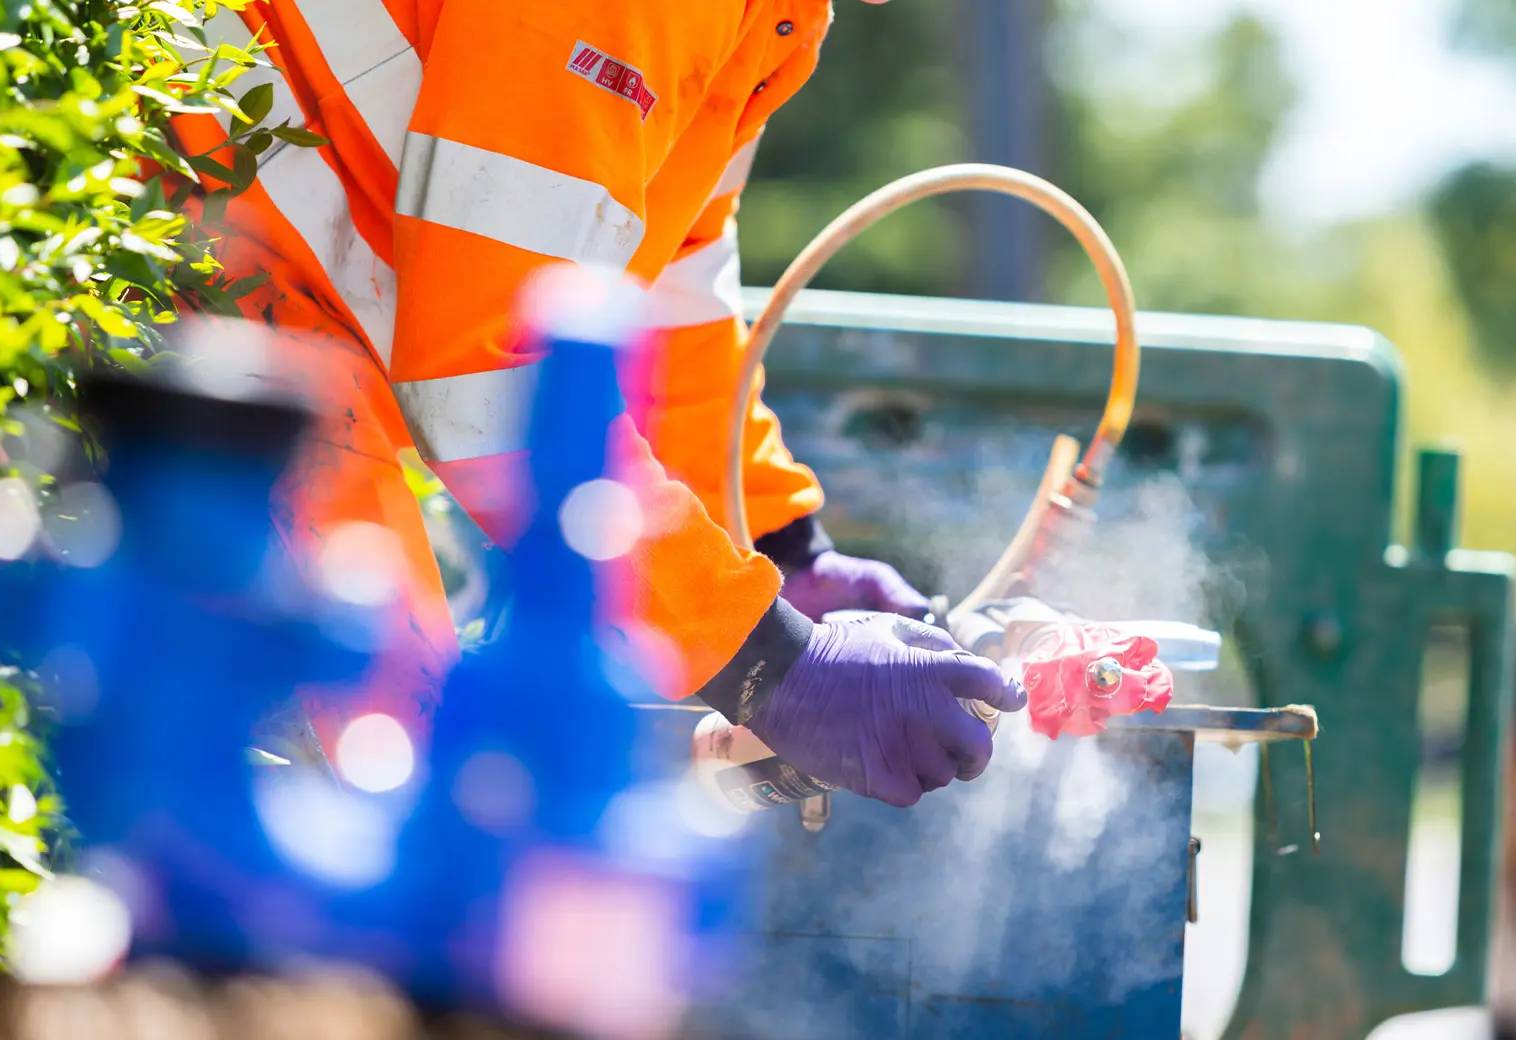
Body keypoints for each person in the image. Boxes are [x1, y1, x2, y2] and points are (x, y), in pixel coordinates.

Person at [167, 0, 1024, 808]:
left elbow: (669, 280)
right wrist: (769, 660)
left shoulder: (767, 19)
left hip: (273, 303)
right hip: (176, 265)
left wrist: (770, 540)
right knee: (391, 766)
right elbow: (488, 373)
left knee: (413, 777)